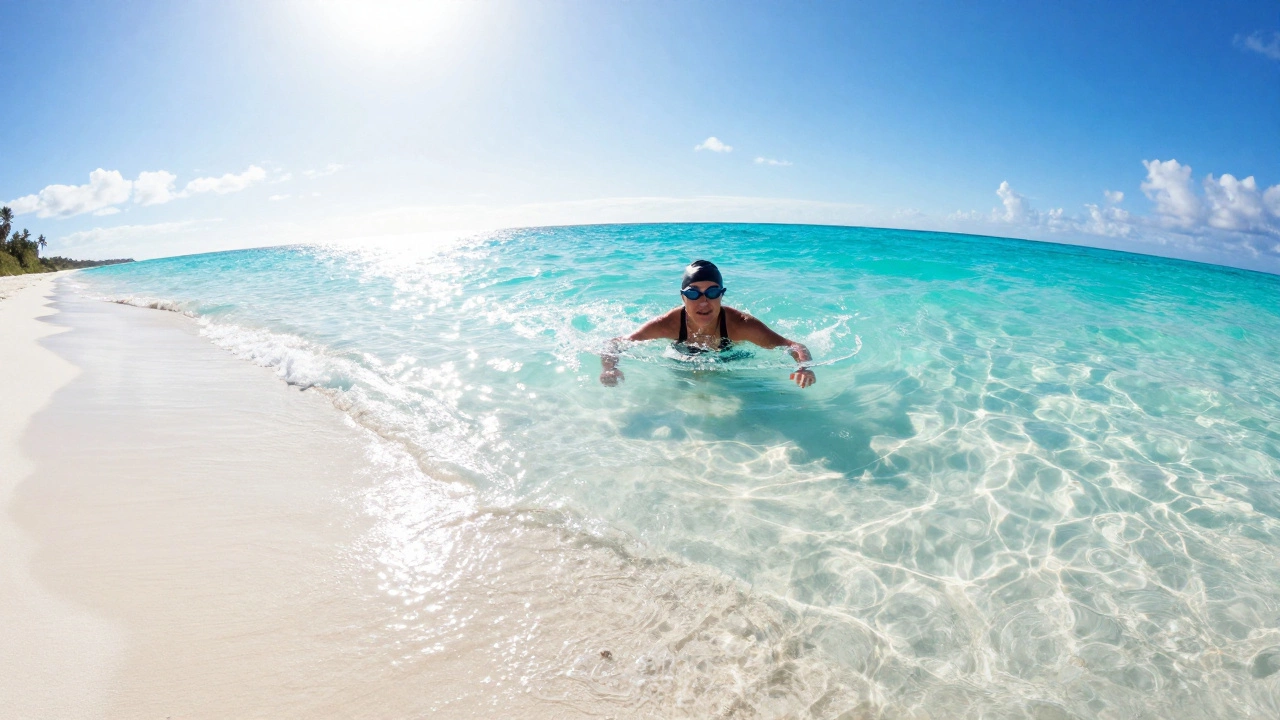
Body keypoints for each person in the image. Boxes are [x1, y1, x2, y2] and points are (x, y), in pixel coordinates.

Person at [599, 259, 816, 388]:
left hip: (731, 355)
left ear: (721, 295)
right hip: (683, 353)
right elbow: (614, 343)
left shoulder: (741, 325)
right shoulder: (668, 324)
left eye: (712, 292)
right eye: (694, 293)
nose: (704, 301)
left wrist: (804, 367)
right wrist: (610, 368)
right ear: (682, 297)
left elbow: (794, 346)